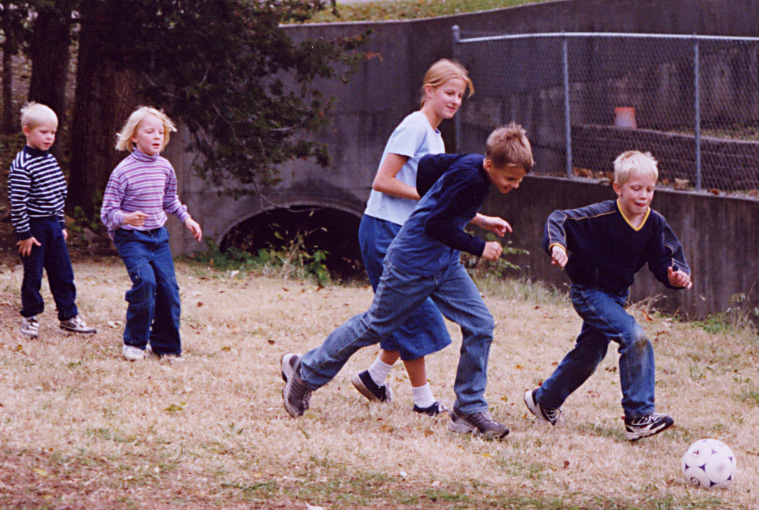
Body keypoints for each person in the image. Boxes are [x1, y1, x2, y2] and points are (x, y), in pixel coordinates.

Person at [282, 123, 534, 439]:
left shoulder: (472, 164)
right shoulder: (471, 177)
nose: (515, 185)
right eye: (510, 179)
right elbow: (435, 224)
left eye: (519, 179)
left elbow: (428, 165)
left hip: (444, 264)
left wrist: (476, 218)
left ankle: (468, 410)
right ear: (489, 164)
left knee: (480, 323)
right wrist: (479, 246)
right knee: (374, 326)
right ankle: (305, 373)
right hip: (411, 263)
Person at [523, 150, 692, 441]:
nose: (643, 196)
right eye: (636, 188)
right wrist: (557, 246)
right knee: (634, 337)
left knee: (589, 355)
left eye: (649, 189)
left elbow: (665, 260)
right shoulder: (600, 216)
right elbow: (559, 219)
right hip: (588, 292)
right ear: (618, 188)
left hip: (616, 296)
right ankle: (639, 416)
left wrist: (675, 276)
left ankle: (544, 400)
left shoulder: (654, 223)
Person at [352, 59, 474, 416]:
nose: (454, 101)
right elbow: (383, 181)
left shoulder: (435, 135)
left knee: (398, 312)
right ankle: (423, 401)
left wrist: (478, 217)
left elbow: (442, 194)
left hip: (403, 233)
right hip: (384, 229)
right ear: (429, 91)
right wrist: (426, 198)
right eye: (449, 93)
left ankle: (374, 378)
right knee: (415, 313)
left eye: (460, 96)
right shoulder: (415, 126)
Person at [101, 107, 202, 361]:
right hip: (131, 238)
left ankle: (165, 346)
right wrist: (126, 218)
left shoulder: (165, 167)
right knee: (146, 283)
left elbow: (170, 201)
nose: (157, 136)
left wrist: (187, 219)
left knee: (168, 289)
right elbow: (107, 213)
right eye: (150, 131)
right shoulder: (122, 171)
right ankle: (134, 342)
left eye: (161, 132)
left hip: (158, 237)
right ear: (134, 136)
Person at [9, 102, 97, 339]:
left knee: (63, 273)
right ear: (27, 131)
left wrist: (61, 224)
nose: (49, 137)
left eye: (53, 133)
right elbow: (18, 204)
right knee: (34, 275)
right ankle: (30, 317)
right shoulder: (22, 164)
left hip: (52, 226)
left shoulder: (50, 160)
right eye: (44, 132)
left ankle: (69, 316)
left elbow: (58, 195)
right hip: (33, 227)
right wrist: (25, 235)